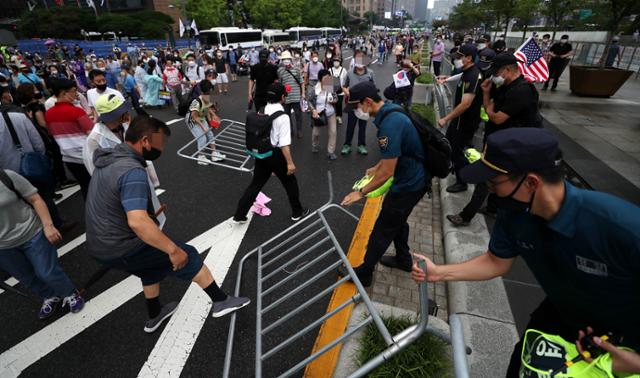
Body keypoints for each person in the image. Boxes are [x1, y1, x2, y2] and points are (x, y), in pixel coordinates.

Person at [412, 127, 640, 377]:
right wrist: (438, 273)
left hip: (623, 349)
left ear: (531, 182)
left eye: (494, 182)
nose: (490, 190)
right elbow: (496, 261)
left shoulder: (621, 226)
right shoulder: (514, 214)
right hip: (557, 322)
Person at [84, 115, 250, 332]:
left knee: (149, 267)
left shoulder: (108, 160)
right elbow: (137, 221)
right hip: (120, 244)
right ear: (144, 141)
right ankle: (221, 301)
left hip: (99, 245)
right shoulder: (131, 170)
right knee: (186, 254)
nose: (161, 148)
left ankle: (155, 314)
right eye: (159, 142)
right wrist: (172, 250)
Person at [338, 81, 428, 286]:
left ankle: (365, 272)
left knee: (382, 228)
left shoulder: (389, 124)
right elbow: (396, 151)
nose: (356, 112)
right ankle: (404, 259)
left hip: (409, 184)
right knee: (398, 220)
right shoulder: (391, 110)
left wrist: (360, 193)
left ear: (368, 102)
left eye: (356, 107)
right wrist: (377, 165)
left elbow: (388, 172)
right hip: (413, 178)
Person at [0, 169, 85, 320]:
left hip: (31, 232)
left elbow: (35, 199)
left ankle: (69, 293)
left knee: (47, 271)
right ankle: (50, 296)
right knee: (27, 278)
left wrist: (48, 225)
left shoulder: (6, 176)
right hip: (3, 247)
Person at [233, 83, 308, 223]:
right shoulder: (283, 117)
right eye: (285, 94)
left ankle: (239, 214)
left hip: (262, 153)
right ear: (282, 97)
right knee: (290, 182)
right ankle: (297, 212)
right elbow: (284, 144)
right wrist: (290, 163)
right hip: (276, 155)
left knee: (255, 185)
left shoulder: (263, 109)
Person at [436, 44, 482, 194]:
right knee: (449, 143)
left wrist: (445, 118)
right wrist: (446, 78)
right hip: (458, 121)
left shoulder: (474, 75)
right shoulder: (466, 72)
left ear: (468, 58)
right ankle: (454, 167)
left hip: (465, 122)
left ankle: (462, 181)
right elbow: (461, 77)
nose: (457, 61)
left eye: (460, 57)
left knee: (457, 151)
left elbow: (466, 104)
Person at [45, 78, 94, 199]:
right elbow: (92, 134)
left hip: (68, 157)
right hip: (86, 156)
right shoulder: (76, 111)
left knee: (85, 185)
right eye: (73, 91)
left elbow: (52, 133)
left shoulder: (48, 113)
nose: (75, 94)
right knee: (96, 186)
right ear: (63, 93)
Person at [82, 93, 132, 175]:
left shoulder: (124, 126)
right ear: (114, 115)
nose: (127, 113)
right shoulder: (94, 138)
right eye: (123, 111)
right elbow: (92, 167)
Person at [341, 50, 375, 156]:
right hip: (352, 104)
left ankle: (361, 145)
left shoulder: (370, 73)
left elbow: (373, 87)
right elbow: (344, 86)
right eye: (357, 58)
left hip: (364, 105)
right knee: (350, 126)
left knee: (362, 126)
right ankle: (347, 145)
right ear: (354, 59)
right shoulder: (350, 72)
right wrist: (347, 92)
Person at [185, 80, 226, 165]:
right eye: (210, 89)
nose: (211, 91)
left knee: (210, 134)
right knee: (202, 137)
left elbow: (207, 108)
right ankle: (201, 157)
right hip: (192, 120)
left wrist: (214, 116)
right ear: (207, 90)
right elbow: (194, 116)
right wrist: (203, 128)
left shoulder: (206, 97)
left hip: (201, 117)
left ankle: (214, 154)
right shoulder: (196, 102)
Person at [307, 69, 338, 160]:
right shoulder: (314, 89)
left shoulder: (331, 87)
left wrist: (334, 100)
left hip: (330, 113)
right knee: (316, 133)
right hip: (318, 114)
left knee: (333, 132)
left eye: (329, 77)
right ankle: (314, 145)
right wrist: (313, 110)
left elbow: (336, 98)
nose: (327, 79)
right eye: (325, 78)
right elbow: (309, 101)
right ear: (320, 79)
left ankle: (330, 152)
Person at [277, 50, 305, 139]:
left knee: (298, 115)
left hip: (296, 96)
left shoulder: (296, 69)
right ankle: (290, 130)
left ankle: (299, 130)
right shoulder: (280, 71)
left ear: (290, 59)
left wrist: (303, 93)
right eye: (284, 59)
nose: (286, 61)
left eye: (287, 59)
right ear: (282, 60)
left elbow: (302, 82)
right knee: (287, 116)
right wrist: (281, 97)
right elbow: (280, 85)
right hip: (286, 97)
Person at [329, 57, 348, 125]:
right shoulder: (330, 70)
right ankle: (333, 116)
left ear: (340, 62)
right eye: (335, 61)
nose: (336, 62)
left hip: (341, 90)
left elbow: (346, 79)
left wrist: (345, 88)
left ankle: (339, 116)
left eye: (337, 61)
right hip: (332, 91)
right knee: (332, 103)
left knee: (339, 104)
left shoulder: (343, 70)